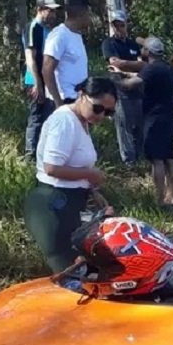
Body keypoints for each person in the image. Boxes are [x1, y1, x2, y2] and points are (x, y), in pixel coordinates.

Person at [23, 77, 117, 272]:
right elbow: (52, 168)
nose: (101, 116)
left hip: (71, 201)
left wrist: (92, 189)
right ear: (82, 95)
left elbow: (73, 162)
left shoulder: (81, 121)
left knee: (82, 265)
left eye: (109, 112)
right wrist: (90, 174)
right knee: (67, 269)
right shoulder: (65, 121)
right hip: (55, 203)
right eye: (98, 108)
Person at [137, 37, 173, 205]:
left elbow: (132, 83)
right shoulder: (168, 69)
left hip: (153, 118)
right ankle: (172, 195)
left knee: (157, 159)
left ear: (148, 52)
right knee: (170, 157)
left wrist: (118, 81)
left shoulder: (150, 69)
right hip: (169, 117)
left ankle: (159, 198)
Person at [102, 9, 145, 165]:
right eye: (116, 26)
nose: (119, 28)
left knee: (139, 125)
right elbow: (114, 62)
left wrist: (125, 65)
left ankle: (141, 157)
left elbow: (143, 64)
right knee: (124, 126)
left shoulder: (133, 44)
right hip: (120, 90)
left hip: (138, 90)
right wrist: (134, 65)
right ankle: (129, 161)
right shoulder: (108, 43)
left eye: (121, 25)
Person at [22, 0, 60, 161]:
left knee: (48, 116)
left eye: (54, 11)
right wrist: (37, 82)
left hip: (48, 79)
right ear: (39, 9)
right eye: (49, 10)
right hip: (35, 80)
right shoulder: (33, 27)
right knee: (36, 117)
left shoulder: (49, 30)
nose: (52, 14)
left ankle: (43, 152)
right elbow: (30, 56)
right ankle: (30, 154)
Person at [43, 0, 92, 106]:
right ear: (81, 15)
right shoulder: (59, 35)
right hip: (63, 100)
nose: (90, 18)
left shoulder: (76, 35)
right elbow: (47, 69)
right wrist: (57, 102)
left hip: (78, 99)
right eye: (89, 14)